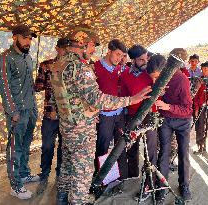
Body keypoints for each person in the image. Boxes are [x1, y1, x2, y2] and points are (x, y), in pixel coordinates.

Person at [50, 28, 151, 205]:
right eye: (91, 46)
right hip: (80, 128)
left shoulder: (60, 63)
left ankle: (62, 197)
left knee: (67, 163)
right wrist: (131, 100)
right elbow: (97, 98)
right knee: (83, 168)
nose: (93, 50)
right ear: (83, 43)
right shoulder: (80, 67)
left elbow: (68, 96)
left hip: (67, 124)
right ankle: (79, 201)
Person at [0, 24, 39, 199]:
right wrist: (12, 111)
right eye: (25, 37)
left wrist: (35, 107)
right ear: (15, 37)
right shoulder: (5, 59)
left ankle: (23, 173)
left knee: (26, 144)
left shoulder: (28, 58)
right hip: (17, 112)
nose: (28, 41)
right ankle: (15, 185)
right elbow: (4, 89)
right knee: (15, 148)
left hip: (31, 109)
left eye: (30, 38)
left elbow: (30, 85)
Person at [119, 45, 157, 201]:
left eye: (146, 58)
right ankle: (133, 177)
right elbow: (123, 98)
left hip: (150, 115)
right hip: (132, 116)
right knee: (132, 149)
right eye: (141, 59)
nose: (145, 61)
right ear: (133, 60)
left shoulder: (152, 73)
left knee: (151, 151)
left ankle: (149, 184)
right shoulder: (125, 76)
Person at [155, 48, 193, 204]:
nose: (169, 65)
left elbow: (188, 109)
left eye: (174, 62)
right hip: (166, 120)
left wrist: (168, 106)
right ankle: (161, 187)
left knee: (183, 154)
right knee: (163, 153)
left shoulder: (182, 79)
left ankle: (184, 185)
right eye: (169, 60)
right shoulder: (162, 74)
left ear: (179, 64)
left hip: (183, 121)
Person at [34, 38, 69, 193]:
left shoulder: (72, 67)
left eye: (68, 49)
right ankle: (44, 174)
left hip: (66, 117)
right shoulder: (46, 65)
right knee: (47, 146)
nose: (65, 51)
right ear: (57, 48)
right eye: (63, 48)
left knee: (64, 147)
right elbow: (38, 86)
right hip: (50, 115)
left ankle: (60, 175)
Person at [93, 39, 128, 180]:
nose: (119, 58)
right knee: (102, 147)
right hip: (104, 116)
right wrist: (93, 111)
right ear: (109, 51)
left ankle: (119, 177)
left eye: (122, 56)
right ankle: (101, 179)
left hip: (119, 114)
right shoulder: (95, 68)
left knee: (120, 145)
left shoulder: (120, 69)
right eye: (117, 54)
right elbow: (88, 94)